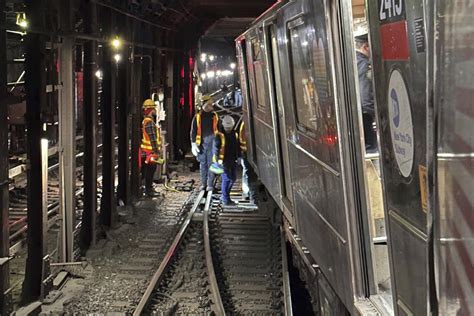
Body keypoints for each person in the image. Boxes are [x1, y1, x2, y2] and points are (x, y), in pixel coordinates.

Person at [355, 28, 378, 152]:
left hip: (357, 117)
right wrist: (375, 115)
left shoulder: (353, 62)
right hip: (365, 118)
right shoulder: (364, 64)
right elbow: (365, 96)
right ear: (366, 47)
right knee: (372, 151)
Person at [190, 95, 219, 191]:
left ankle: (210, 185)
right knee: (203, 165)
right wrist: (193, 143)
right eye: (209, 104)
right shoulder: (198, 117)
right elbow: (193, 131)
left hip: (212, 144)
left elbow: (220, 130)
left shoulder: (214, 116)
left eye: (211, 104)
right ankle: (203, 184)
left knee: (211, 164)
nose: (211, 106)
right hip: (201, 145)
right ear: (204, 104)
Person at [212, 115, 240, 206]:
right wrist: (217, 161)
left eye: (230, 127)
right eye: (227, 128)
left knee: (233, 178)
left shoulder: (234, 134)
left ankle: (225, 197)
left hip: (232, 159)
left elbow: (237, 146)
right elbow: (215, 149)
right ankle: (225, 199)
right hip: (223, 161)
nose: (228, 129)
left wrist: (239, 156)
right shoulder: (219, 136)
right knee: (227, 179)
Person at [141, 99, 164, 197]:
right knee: (150, 171)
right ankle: (149, 190)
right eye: (153, 108)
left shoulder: (145, 121)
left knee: (148, 171)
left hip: (147, 151)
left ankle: (148, 189)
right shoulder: (149, 122)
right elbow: (153, 138)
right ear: (150, 109)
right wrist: (157, 151)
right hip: (150, 152)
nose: (155, 110)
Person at [238, 120, 255, 202]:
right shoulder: (245, 125)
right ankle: (248, 194)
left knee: (247, 173)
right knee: (248, 173)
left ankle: (248, 193)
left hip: (247, 153)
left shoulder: (244, 124)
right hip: (246, 153)